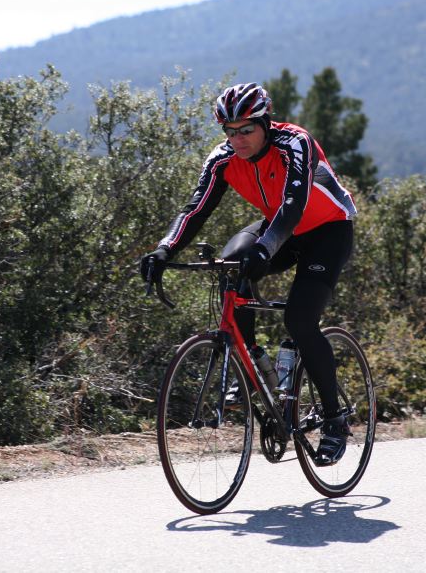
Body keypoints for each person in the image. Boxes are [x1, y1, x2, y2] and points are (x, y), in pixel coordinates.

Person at [140, 82, 356, 466]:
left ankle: (335, 422)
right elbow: (196, 209)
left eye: (246, 129)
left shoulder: (295, 143)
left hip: (327, 231)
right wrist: (164, 248)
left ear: (265, 123)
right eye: (229, 130)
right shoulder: (223, 159)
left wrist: (265, 248)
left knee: (300, 320)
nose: (237, 139)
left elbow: (293, 206)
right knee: (231, 262)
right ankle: (253, 363)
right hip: (281, 229)